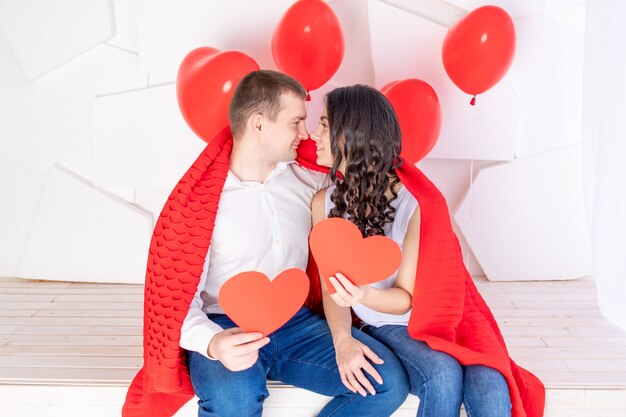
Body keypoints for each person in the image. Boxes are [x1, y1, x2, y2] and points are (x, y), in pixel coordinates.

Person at [123, 71, 409, 417]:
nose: (305, 134)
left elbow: (366, 174)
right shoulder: (201, 202)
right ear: (259, 125)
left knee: (387, 380)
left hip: (295, 324)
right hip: (225, 323)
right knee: (233, 403)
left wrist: (343, 337)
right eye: (296, 122)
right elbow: (172, 304)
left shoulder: (309, 183)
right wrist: (212, 344)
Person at [309, 84, 545, 417]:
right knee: (443, 375)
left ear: (352, 134)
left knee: (491, 383)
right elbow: (332, 294)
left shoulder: (416, 204)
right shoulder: (324, 204)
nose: (314, 134)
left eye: (323, 124)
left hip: (433, 318)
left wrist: (361, 293)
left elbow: (406, 297)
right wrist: (347, 326)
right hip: (382, 324)